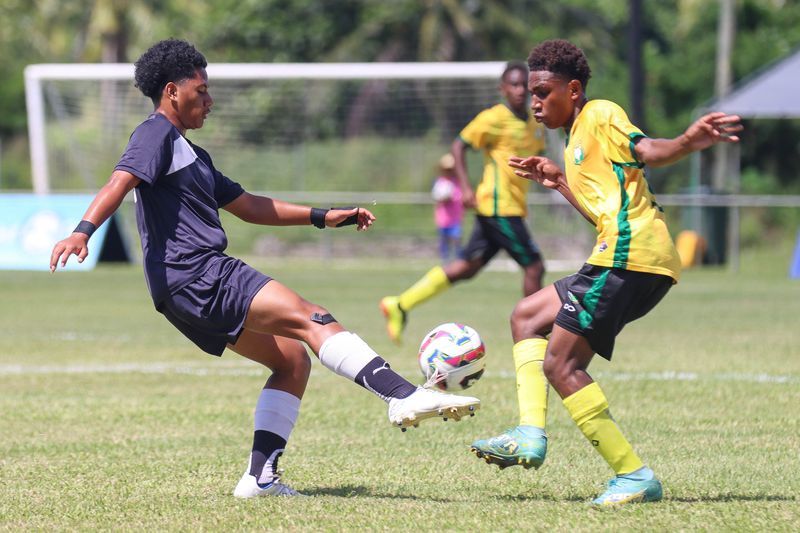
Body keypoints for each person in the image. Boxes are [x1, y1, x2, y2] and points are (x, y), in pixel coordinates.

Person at [49, 39, 480, 499]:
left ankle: (259, 479)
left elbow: (250, 206)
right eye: (201, 91)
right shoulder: (155, 134)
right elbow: (120, 180)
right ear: (172, 91)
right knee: (313, 318)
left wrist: (322, 216)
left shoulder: (192, 155)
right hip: (197, 271)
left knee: (291, 359)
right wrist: (82, 231)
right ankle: (402, 395)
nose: (210, 101)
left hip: (178, 289)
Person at [469, 39, 742, 506]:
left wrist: (687, 142)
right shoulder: (574, 137)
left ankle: (633, 475)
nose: (535, 103)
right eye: (532, 94)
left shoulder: (600, 114)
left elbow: (648, 149)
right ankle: (529, 433)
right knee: (527, 316)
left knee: (561, 365)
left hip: (629, 256)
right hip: (620, 254)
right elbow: (601, 214)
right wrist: (558, 182)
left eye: (544, 92)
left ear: (574, 90)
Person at [380, 61, 547, 344]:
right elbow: (459, 146)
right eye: (514, 85)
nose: (520, 90)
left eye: (524, 85)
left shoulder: (535, 123)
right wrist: (466, 188)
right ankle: (535, 335)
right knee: (534, 267)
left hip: (510, 207)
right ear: (503, 89)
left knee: (466, 268)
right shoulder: (493, 118)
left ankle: (399, 304)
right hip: (498, 208)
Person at [431, 153, 464, 263]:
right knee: (444, 242)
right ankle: (445, 262)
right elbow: (437, 197)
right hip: (443, 219)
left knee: (456, 239)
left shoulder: (458, 182)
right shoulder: (440, 182)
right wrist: (444, 198)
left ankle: (459, 261)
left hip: (455, 219)